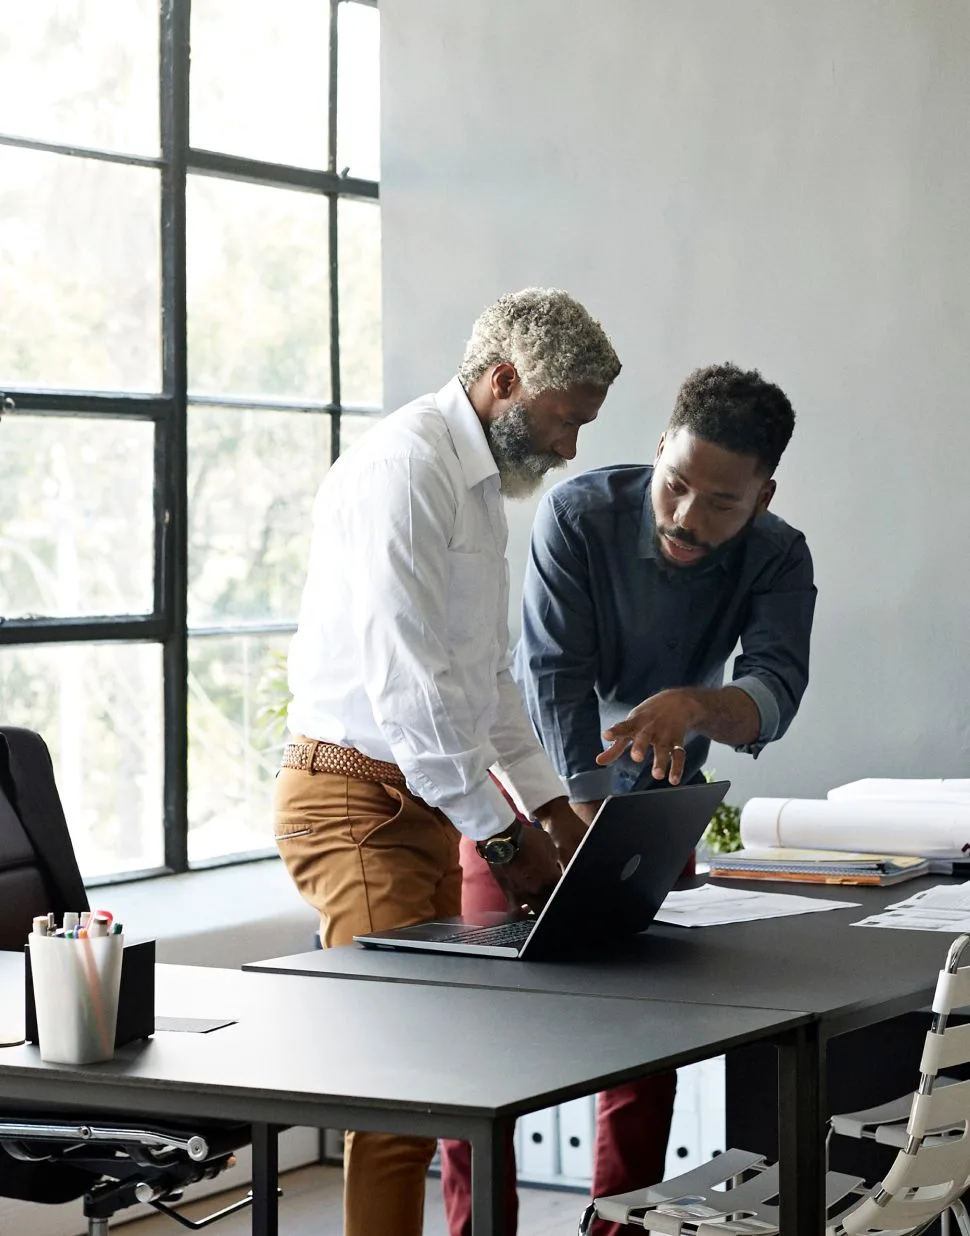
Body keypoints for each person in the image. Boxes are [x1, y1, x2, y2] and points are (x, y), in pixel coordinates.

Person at [273, 287, 622, 1236]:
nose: (570, 450)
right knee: (403, 1095)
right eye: (563, 420)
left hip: (418, 799)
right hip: (352, 801)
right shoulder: (405, 469)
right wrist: (507, 842)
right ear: (504, 382)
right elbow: (410, 693)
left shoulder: (482, 490)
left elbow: (486, 683)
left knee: (435, 1083)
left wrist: (555, 809)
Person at [439, 362, 816, 1236]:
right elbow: (552, 680)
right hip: (525, 803)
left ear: (762, 497)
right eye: (675, 484)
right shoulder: (578, 514)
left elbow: (776, 688)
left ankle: (618, 1231)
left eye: (721, 502)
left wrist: (697, 706)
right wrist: (572, 817)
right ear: (658, 452)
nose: (687, 516)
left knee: (642, 1054)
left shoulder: (780, 555)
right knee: (479, 1043)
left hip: (655, 807)